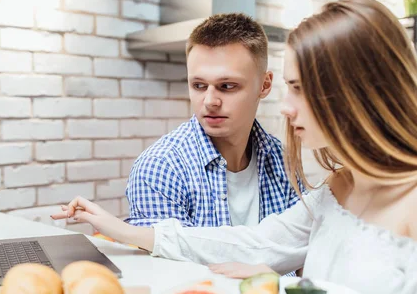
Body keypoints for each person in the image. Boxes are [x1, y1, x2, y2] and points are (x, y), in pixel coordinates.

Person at [53, 0, 417, 294]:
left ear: (356, 93)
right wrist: (126, 231)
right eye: (198, 85)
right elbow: (258, 244)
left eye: (298, 88)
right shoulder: (342, 184)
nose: (286, 107)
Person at [125, 13, 303, 230]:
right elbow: (171, 262)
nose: (210, 102)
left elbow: (303, 248)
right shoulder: (161, 168)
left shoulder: (283, 161)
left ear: (264, 85)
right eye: (199, 86)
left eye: (227, 86)